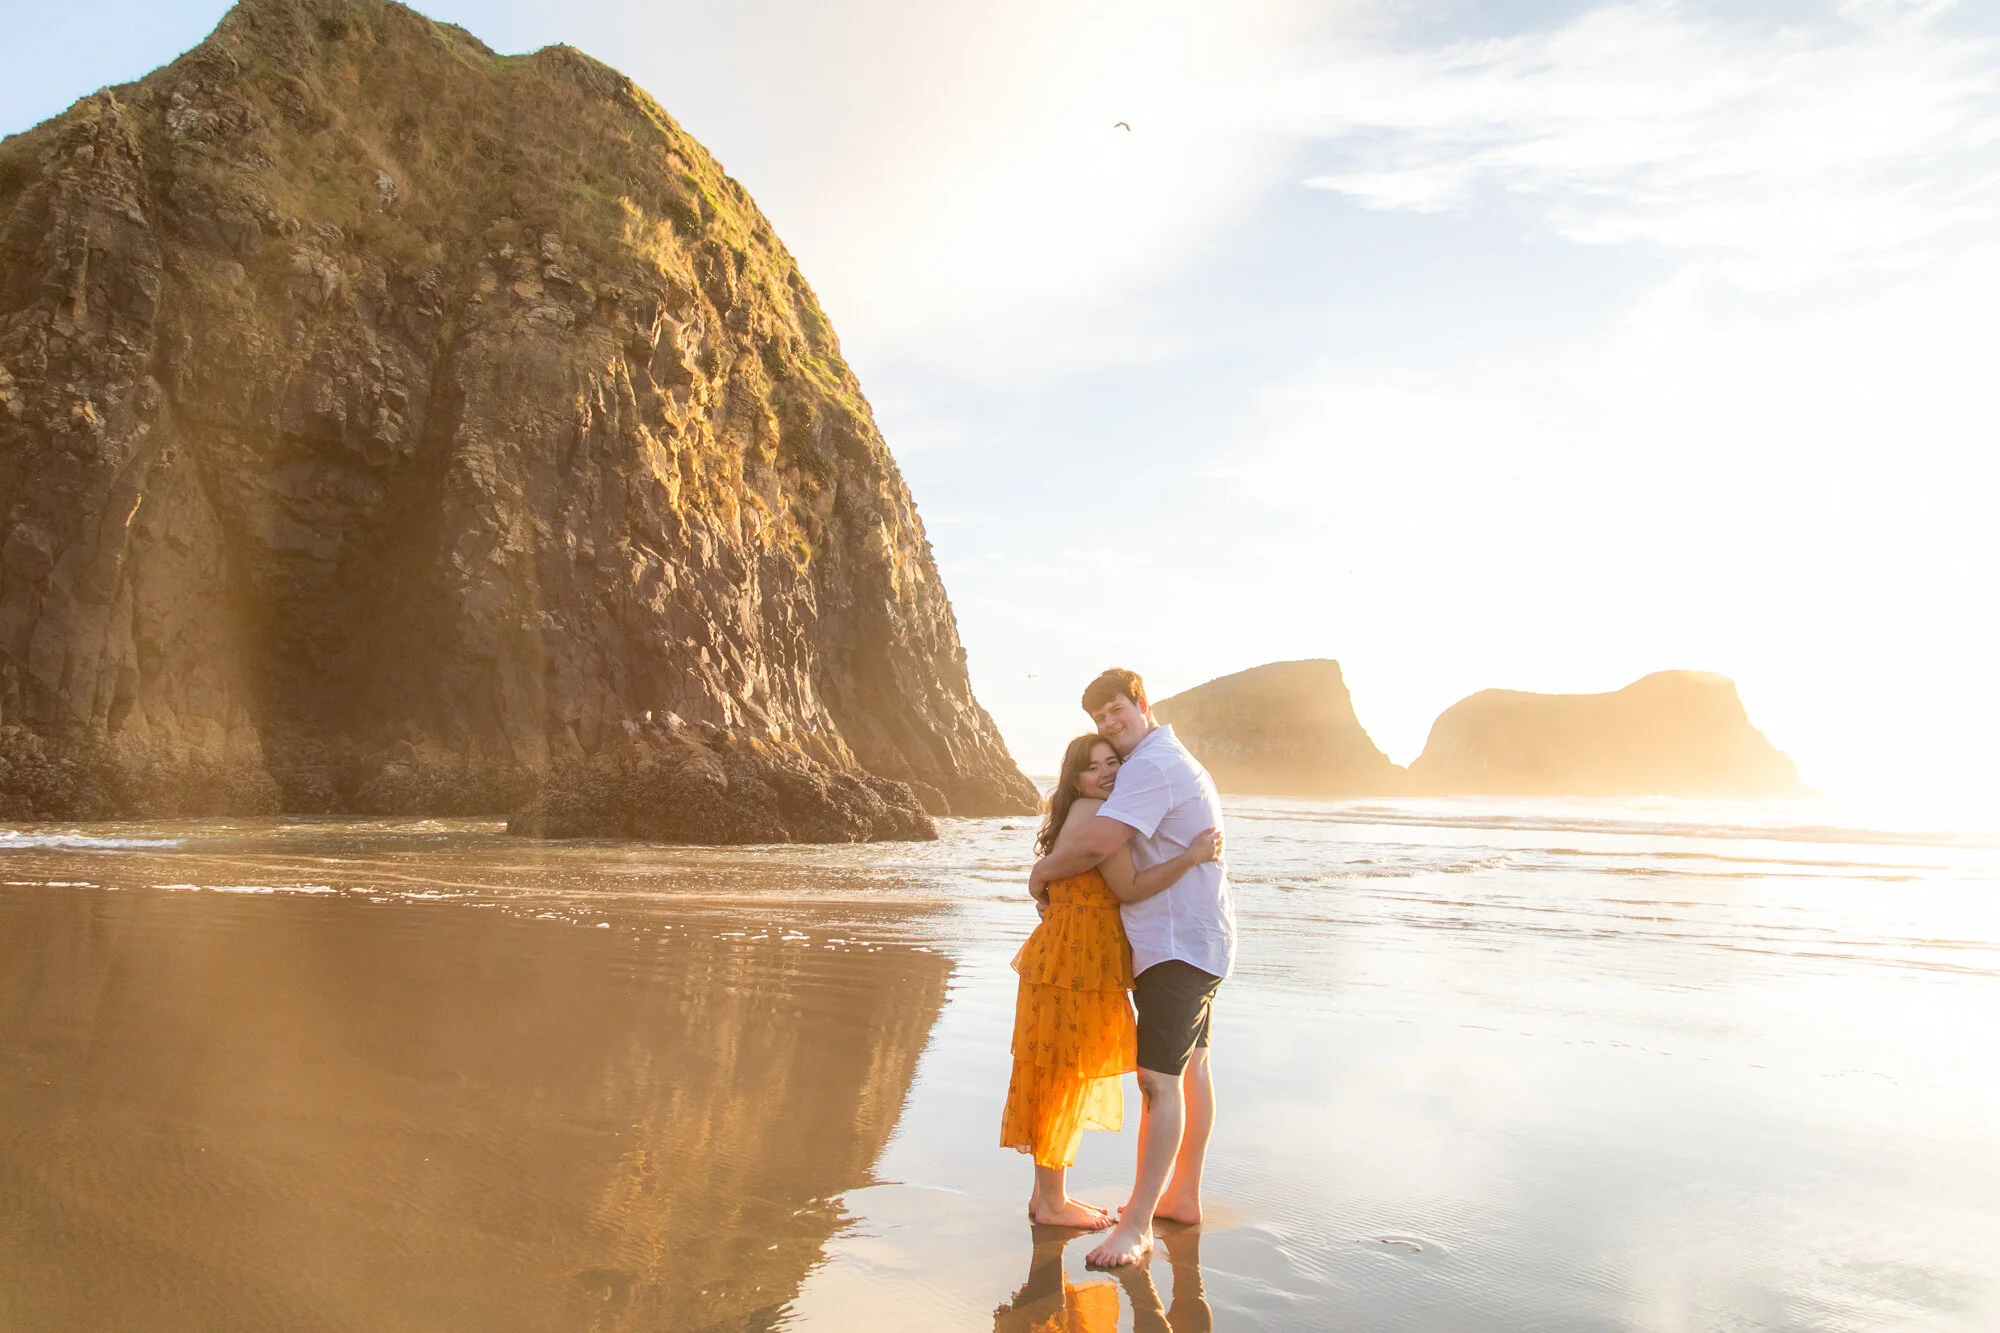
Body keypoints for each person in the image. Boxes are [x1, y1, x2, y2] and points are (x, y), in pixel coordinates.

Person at [1028, 668, 1236, 1269]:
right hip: (1192, 939)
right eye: (1099, 720)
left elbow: (1100, 848)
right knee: (1190, 1068)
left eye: (1116, 710)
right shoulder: (1162, 760)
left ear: (1141, 704)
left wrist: (1041, 874)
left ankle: (1139, 1225)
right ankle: (1181, 1197)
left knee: (1156, 1079)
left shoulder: (1150, 764)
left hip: (1175, 943)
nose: (1110, 725)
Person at [1002, 733, 1222, 1227]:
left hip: (1070, 957)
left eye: (1113, 762)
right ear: (1075, 777)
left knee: (1054, 1071)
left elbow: (1058, 874)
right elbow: (1129, 886)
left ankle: (1047, 1198)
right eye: (1093, 766)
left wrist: (1039, 879)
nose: (1106, 773)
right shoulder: (1095, 816)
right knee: (1063, 1076)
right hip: (1075, 964)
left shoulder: (1077, 809)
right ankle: (1053, 1203)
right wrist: (1192, 856)